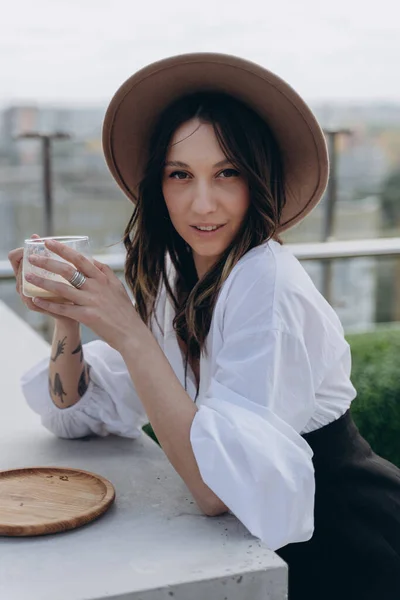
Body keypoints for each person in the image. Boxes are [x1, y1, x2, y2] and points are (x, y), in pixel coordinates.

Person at [8, 53, 400, 599]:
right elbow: (75, 413)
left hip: (343, 543)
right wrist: (69, 320)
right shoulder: (178, 273)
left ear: (257, 179)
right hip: (261, 546)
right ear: (157, 185)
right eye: (180, 175)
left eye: (227, 173)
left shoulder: (268, 286)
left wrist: (127, 330)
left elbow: (217, 491)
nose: (202, 203)